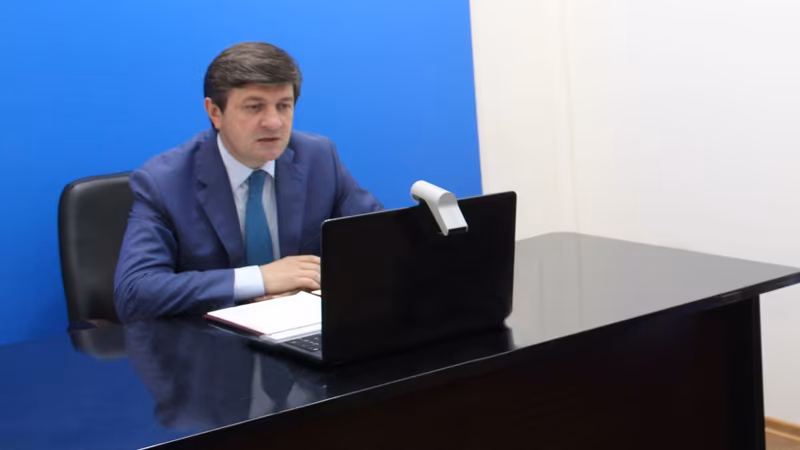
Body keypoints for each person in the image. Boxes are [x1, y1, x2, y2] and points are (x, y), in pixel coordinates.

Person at [114, 42, 382, 321]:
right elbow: (134, 293)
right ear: (214, 112)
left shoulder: (318, 158)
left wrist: (318, 283)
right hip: (212, 342)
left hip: (303, 331)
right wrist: (260, 279)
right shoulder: (164, 181)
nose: (274, 122)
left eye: (284, 106)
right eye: (254, 107)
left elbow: (379, 244)